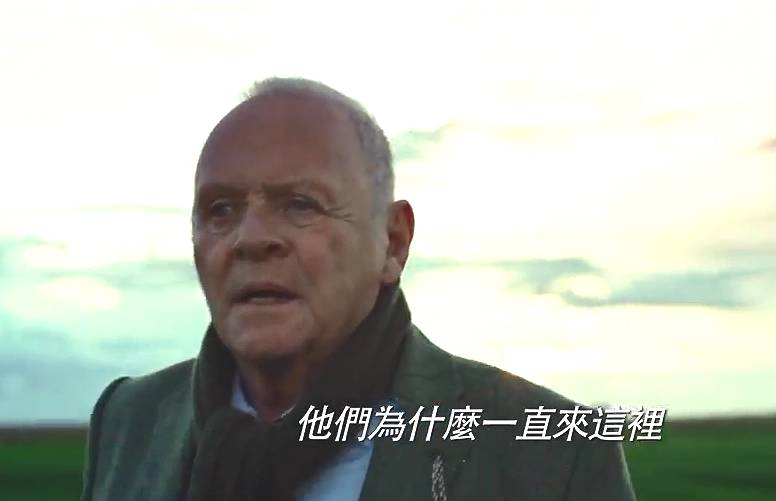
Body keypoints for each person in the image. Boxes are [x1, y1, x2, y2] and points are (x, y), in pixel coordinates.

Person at [80, 77, 637, 501]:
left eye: (300, 205)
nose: (250, 239)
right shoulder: (131, 420)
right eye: (220, 209)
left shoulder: (556, 456)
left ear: (392, 243)